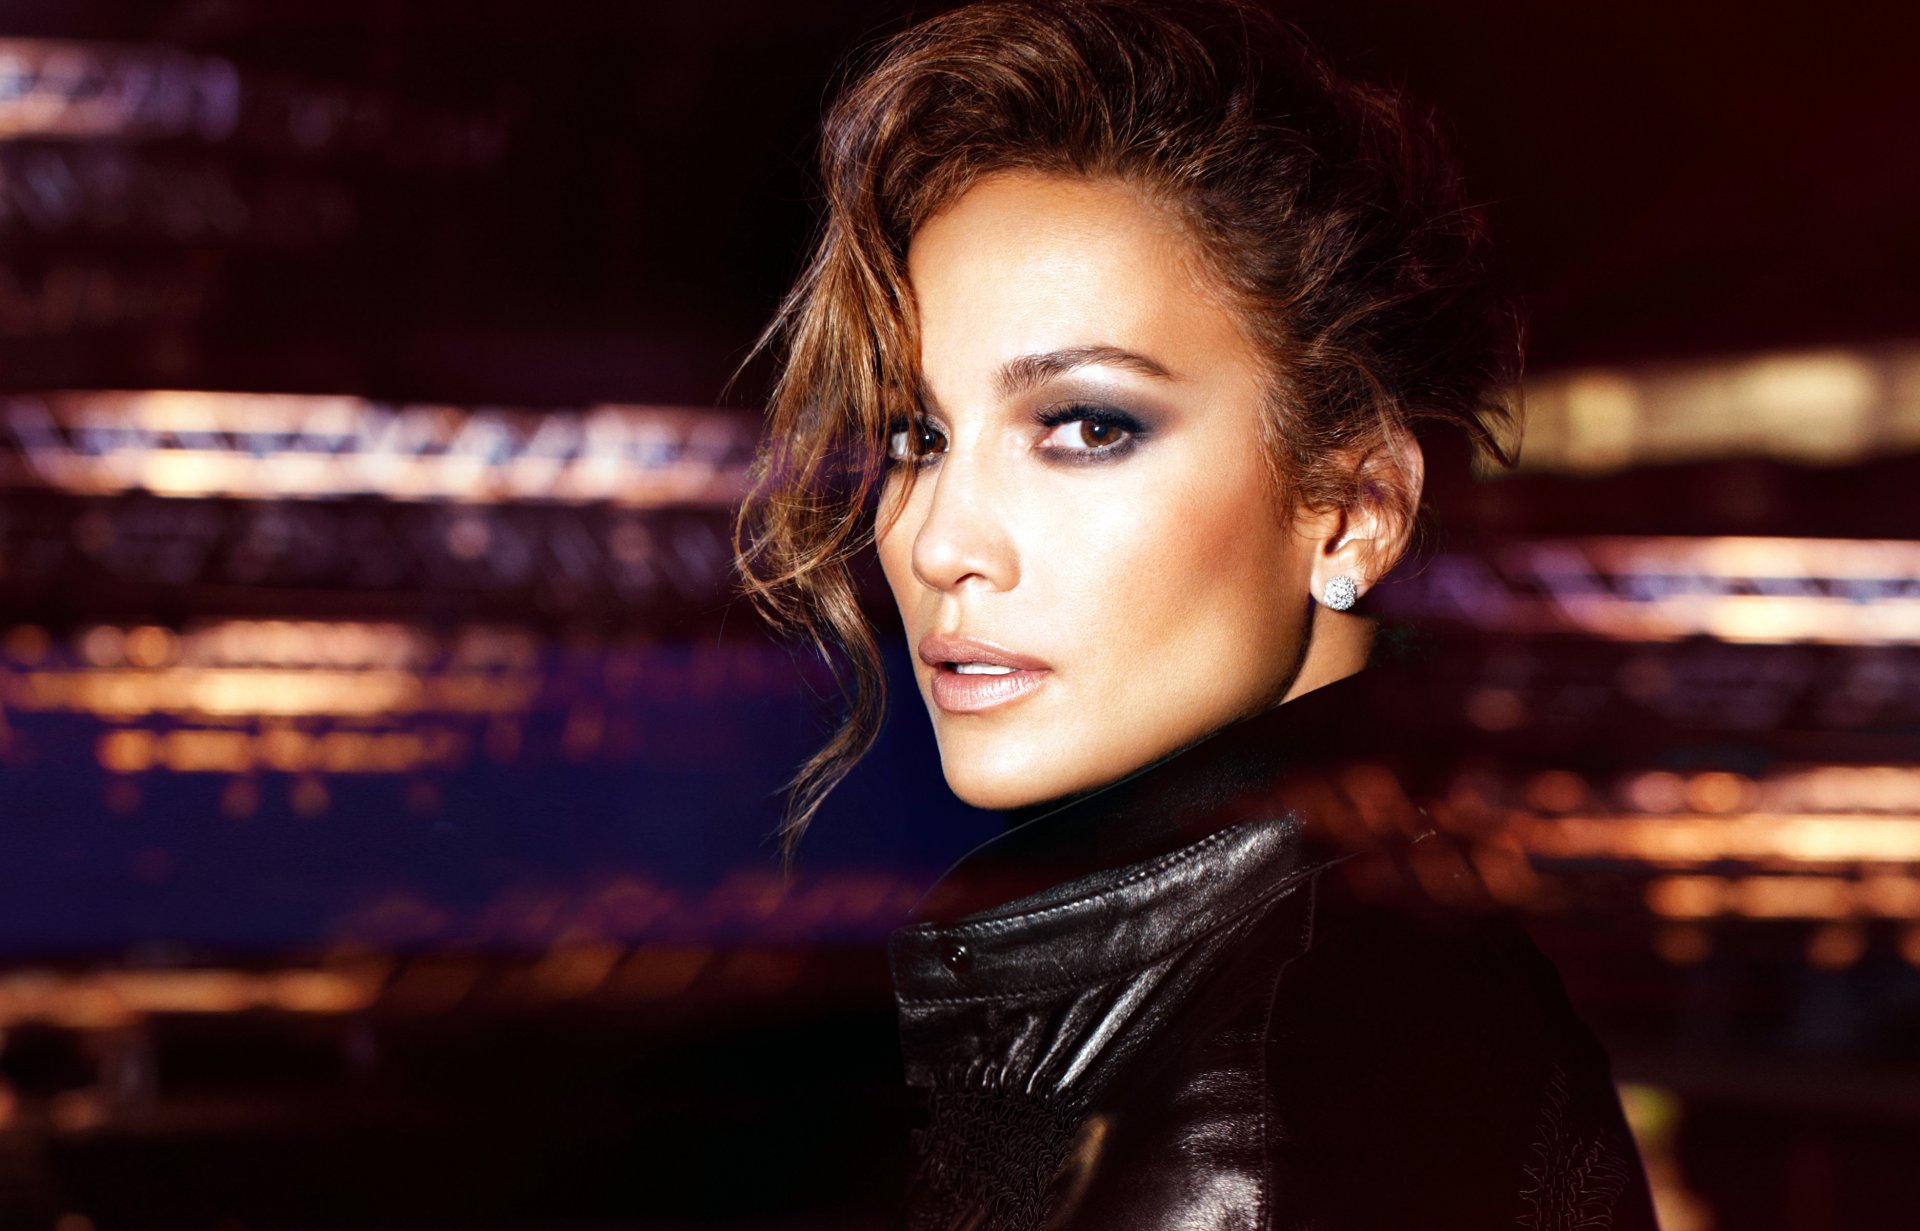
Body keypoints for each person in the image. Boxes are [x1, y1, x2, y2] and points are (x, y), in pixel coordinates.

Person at [734, 1, 1660, 1227]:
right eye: (918, 435)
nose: (939, 542)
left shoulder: (1271, 1102)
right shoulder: (1370, 949)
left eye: (1086, 426)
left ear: (1355, 510)